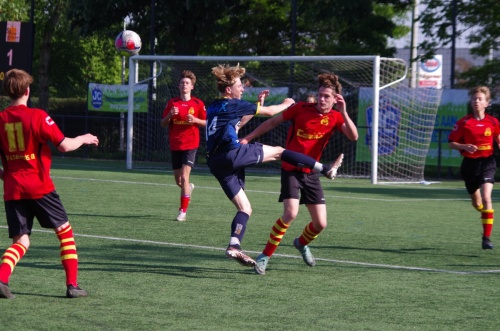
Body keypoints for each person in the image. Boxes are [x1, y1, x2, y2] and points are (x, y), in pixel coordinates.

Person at [206, 64, 342, 267]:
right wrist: (287, 103)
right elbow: (271, 113)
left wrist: (256, 105)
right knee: (279, 151)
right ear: (228, 90)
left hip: (215, 162)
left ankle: (234, 246)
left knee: (245, 208)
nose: (242, 88)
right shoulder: (233, 103)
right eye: (239, 85)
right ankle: (325, 169)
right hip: (231, 154)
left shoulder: (214, 107)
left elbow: (236, 125)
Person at [240, 72, 358, 275]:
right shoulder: (301, 109)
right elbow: (272, 122)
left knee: (321, 223)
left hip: (312, 173)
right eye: (320, 94)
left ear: (335, 99)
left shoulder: (336, 117)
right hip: (291, 169)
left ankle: (301, 243)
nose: (322, 99)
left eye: (327, 96)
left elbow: (353, 136)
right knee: (291, 213)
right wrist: (248, 137)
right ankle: (264, 256)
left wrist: (344, 111)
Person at [0, 69, 99, 299]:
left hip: (13, 189)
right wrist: (84, 139)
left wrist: (5, 174)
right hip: (39, 185)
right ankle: (72, 285)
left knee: (21, 241)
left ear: (8, 93)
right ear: (27, 91)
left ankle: (2, 278)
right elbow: (64, 145)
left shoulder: (1, 119)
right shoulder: (37, 115)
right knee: (64, 232)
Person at [448, 86, 500, 250]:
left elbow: (498, 137)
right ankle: (483, 212)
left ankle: (486, 238)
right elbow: (451, 143)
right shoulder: (464, 122)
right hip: (469, 165)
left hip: (487, 163)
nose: (476, 101)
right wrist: (464, 146)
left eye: (480, 99)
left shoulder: (493, 122)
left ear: (487, 103)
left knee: (486, 198)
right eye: (474, 99)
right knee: (477, 203)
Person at [161, 70, 207, 221]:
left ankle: (182, 211)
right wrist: (169, 116)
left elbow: (206, 122)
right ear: (178, 85)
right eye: (182, 83)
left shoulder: (198, 104)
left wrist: (194, 119)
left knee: (184, 176)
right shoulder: (172, 103)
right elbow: (162, 124)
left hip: (191, 144)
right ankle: (188, 189)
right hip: (175, 145)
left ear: (192, 86)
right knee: (179, 181)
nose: (184, 85)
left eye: (187, 83)